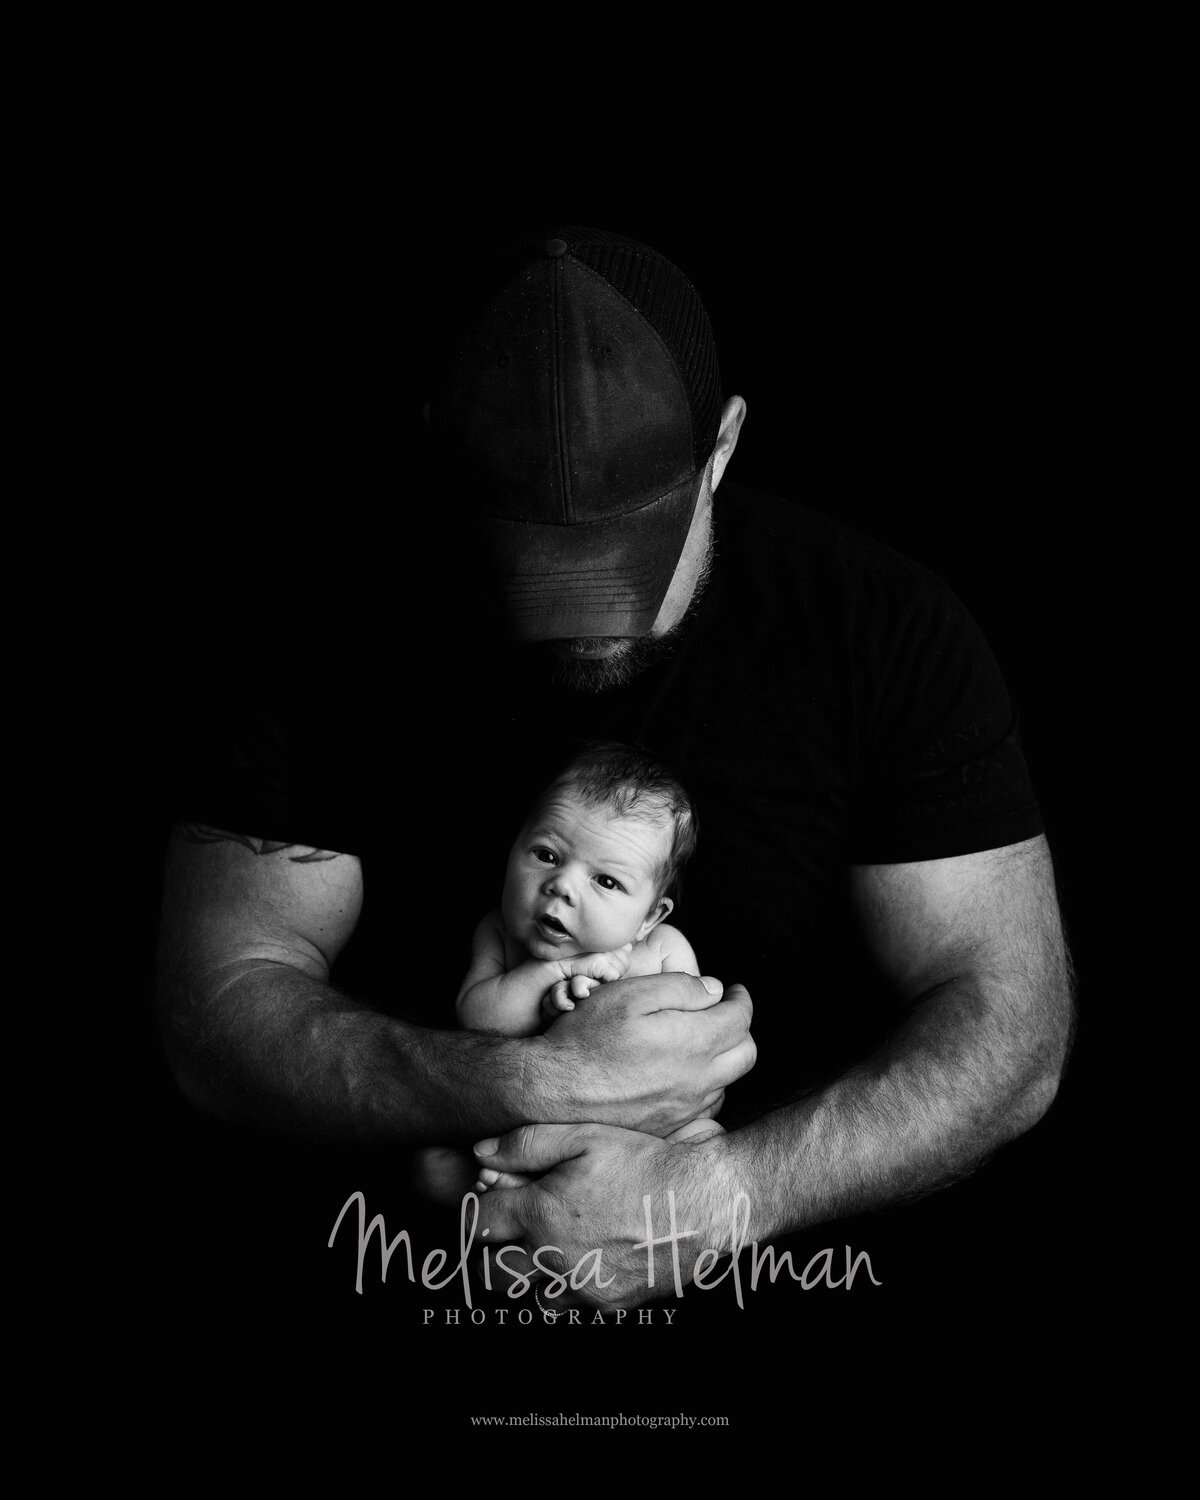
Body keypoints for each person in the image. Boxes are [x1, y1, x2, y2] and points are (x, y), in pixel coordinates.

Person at [157, 224, 1073, 1311]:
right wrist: (534, 1076)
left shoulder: (883, 630)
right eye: (540, 559)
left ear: (722, 448)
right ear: (442, 462)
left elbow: (1011, 1025)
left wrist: (720, 1195)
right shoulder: (323, 628)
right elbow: (218, 1004)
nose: (585, 621)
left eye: (628, 547)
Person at [415, 740, 723, 1204]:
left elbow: (692, 1049)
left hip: (638, 1132)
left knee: (705, 1141)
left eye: (606, 881)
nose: (561, 886)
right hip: (519, 1121)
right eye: (546, 854)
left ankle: (588, 1191)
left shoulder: (663, 951)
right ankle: (527, 1184)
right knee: (431, 1169)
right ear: (512, 847)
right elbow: (478, 1017)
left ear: (649, 918)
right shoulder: (499, 933)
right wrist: (558, 969)